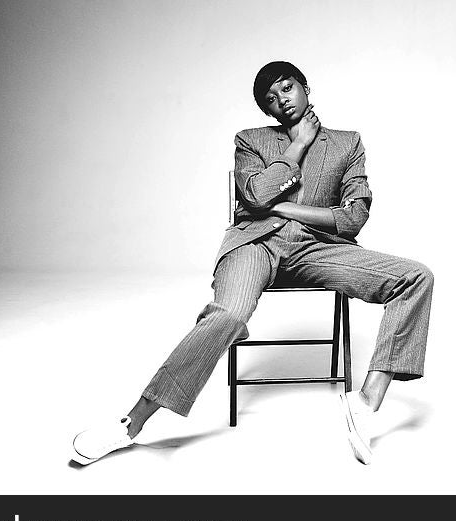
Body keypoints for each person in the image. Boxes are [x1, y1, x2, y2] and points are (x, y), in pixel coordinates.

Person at [72, 61, 434, 466]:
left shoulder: (347, 143)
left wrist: (287, 208)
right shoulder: (252, 140)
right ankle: (130, 424)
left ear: (305, 87)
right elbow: (258, 197)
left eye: (287, 88)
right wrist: (296, 148)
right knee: (227, 315)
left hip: (318, 248)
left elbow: (352, 217)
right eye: (271, 99)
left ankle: (365, 403)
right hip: (255, 243)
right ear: (268, 110)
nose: (282, 100)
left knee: (416, 277)